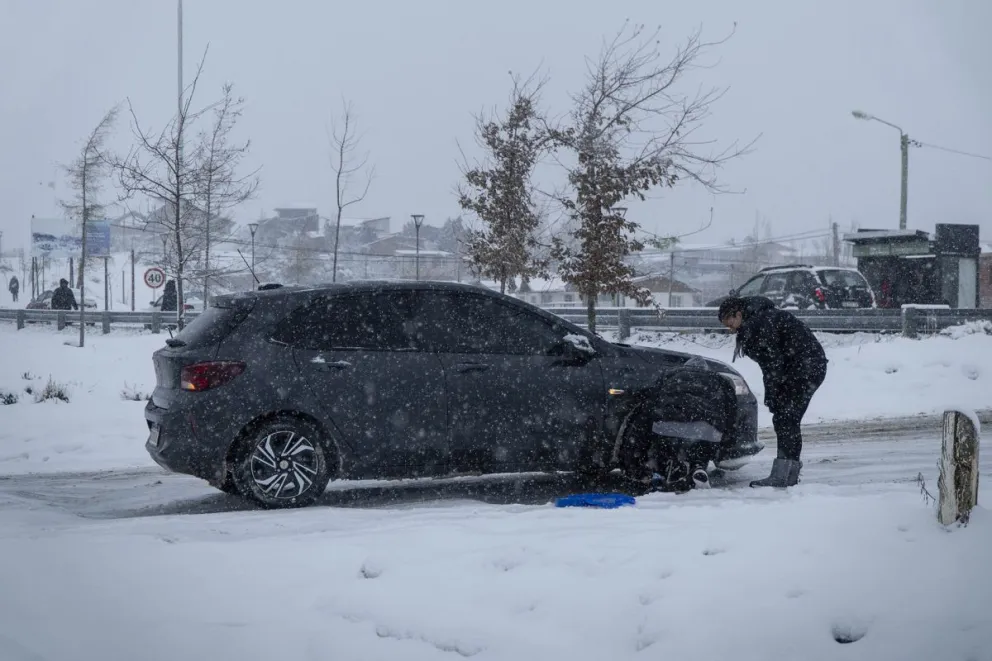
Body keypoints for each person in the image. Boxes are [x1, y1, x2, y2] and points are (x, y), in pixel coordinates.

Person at [718, 296, 827, 488]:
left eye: (730, 322)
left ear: (739, 314)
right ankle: (788, 473)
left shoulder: (759, 324)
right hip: (805, 367)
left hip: (804, 369)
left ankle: (783, 475)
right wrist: (775, 394)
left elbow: (772, 364)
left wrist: (773, 395)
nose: (731, 329)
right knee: (787, 419)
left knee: (786, 419)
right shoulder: (761, 319)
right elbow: (772, 363)